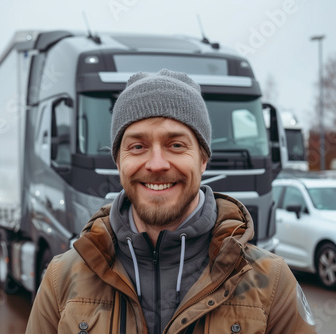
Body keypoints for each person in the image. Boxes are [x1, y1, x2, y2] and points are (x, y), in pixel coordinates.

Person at [26, 69, 316, 334]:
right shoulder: (60, 278)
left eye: (176, 145)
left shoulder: (272, 282)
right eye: (137, 146)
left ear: (203, 160)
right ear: (118, 161)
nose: (156, 164)